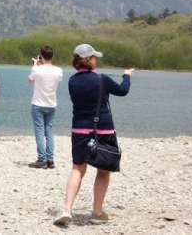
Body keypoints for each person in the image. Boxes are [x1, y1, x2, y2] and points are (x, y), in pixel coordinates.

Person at [54, 44, 133, 227]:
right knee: (103, 170)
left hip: (79, 130)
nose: (96, 60)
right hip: (102, 130)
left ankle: (67, 209)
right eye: (94, 57)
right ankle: (97, 212)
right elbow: (123, 90)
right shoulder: (101, 79)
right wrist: (127, 76)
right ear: (89, 60)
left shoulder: (72, 80)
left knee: (78, 169)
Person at [28, 45, 63, 169]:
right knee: (49, 131)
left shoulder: (37, 69)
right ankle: (50, 159)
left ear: (41, 56)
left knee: (39, 131)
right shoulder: (59, 70)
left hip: (38, 104)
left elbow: (30, 81)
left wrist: (35, 65)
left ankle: (41, 158)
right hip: (51, 104)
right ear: (52, 56)